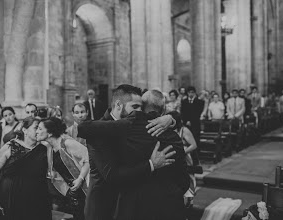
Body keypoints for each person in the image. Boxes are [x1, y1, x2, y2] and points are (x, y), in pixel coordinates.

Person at [78, 89, 189, 220]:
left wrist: (171, 118)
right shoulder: (104, 131)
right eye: (135, 107)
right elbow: (113, 176)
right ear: (119, 105)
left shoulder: (134, 131)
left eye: (140, 107)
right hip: (104, 205)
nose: (138, 111)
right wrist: (151, 164)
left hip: (133, 205)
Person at [0, 117, 52, 220]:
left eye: (41, 129)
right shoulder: (11, 146)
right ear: (24, 130)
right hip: (12, 197)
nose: (39, 131)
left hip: (37, 197)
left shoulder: (44, 149)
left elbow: (52, 172)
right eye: (36, 128)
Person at [36, 117, 89, 220]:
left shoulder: (68, 143)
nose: (37, 132)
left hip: (85, 190)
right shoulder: (50, 147)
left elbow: (88, 159)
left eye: (39, 129)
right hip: (73, 193)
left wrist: (80, 178)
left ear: (50, 133)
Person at [174, 114, 197, 208]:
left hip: (186, 156)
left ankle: (190, 199)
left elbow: (194, 145)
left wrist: (182, 152)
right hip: (177, 157)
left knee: (189, 176)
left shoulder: (185, 130)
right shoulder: (172, 129)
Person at [181, 86, 204, 165]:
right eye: (189, 92)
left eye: (192, 92)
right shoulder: (184, 101)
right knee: (187, 142)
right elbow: (183, 113)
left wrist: (191, 121)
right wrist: (186, 121)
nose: (190, 94)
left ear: (194, 93)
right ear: (187, 93)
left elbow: (198, 113)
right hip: (186, 124)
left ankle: (196, 160)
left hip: (195, 124)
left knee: (196, 141)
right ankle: (188, 159)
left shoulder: (199, 102)